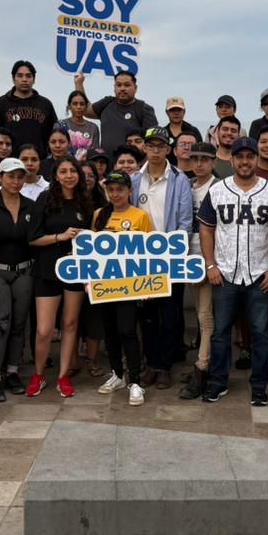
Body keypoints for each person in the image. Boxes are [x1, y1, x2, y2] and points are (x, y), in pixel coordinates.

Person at [198, 137, 268, 406]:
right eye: (240, 156)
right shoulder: (217, 190)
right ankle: (217, 381)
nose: (245, 161)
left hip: (260, 273)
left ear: (257, 159)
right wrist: (210, 264)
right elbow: (206, 228)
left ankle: (259, 385)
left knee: (260, 334)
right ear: (232, 160)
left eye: (250, 156)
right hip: (224, 273)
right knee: (221, 332)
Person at [129, 128, 193, 389]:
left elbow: (185, 222)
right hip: (140, 259)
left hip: (169, 257)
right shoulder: (133, 179)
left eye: (161, 146)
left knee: (170, 313)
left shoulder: (179, 179)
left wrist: (176, 252)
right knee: (147, 314)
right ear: (144, 147)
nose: (156, 150)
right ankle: (152, 361)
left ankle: (164, 365)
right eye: (151, 145)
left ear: (169, 149)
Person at [27, 158, 94, 397]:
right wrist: (60, 237)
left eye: (72, 171)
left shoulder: (85, 202)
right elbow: (33, 238)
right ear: (55, 175)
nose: (69, 176)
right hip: (47, 270)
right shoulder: (44, 200)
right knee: (44, 330)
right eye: (63, 171)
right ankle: (38, 374)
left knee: (70, 324)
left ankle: (64, 376)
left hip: (75, 272)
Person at [90, 171, 154, 405]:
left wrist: (148, 285)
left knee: (127, 330)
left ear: (130, 191)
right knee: (110, 331)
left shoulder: (140, 216)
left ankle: (135, 381)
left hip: (130, 285)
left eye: (120, 189)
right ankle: (117, 374)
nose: (115, 194)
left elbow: (150, 252)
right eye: (111, 190)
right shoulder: (99, 215)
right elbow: (92, 251)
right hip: (104, 284)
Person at [0, 157, 34, 403]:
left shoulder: (31, 206)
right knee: (0, 324)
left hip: (24, 271)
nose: (15, 181)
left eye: (20, 176)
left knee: (20, 323)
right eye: (10, 176)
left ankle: (12, 372)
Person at [180, 142, 219, 400]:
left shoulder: (218, 187)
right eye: (195, 158)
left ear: (213, 161)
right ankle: (203, 360)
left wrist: (211, 261)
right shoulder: (187, 186)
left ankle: (203, 366)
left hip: (209, 257)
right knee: (198, 313)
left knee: (206, 316)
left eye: (205, 159)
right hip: (187, 256)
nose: (200, 163)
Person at [79, 70, 157, 154]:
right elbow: (86, 110)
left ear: (135, 88)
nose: (122, 88)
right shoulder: (106, 103)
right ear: (114, 88)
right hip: (107, 164)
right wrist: (79, 84)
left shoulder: (144, 109)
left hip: (132, 164)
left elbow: (152, 141)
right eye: (119, 85)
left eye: (127, 85)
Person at [0, 60, 57, 154]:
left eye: (28, 76)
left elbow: (54, 133)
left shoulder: (45, 104)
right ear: (13, 79)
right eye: (20, 76)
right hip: (10, 159)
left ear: (34, 79)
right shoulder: (2, 103)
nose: (24, 79)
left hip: (39, 159)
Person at [63, 91, 100, 161]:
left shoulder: (93, 128)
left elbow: (95, 153)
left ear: (86, 106)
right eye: (75, 104)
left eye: (82, 104)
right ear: (69, 106)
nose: (78, 107)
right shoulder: (60, 125)